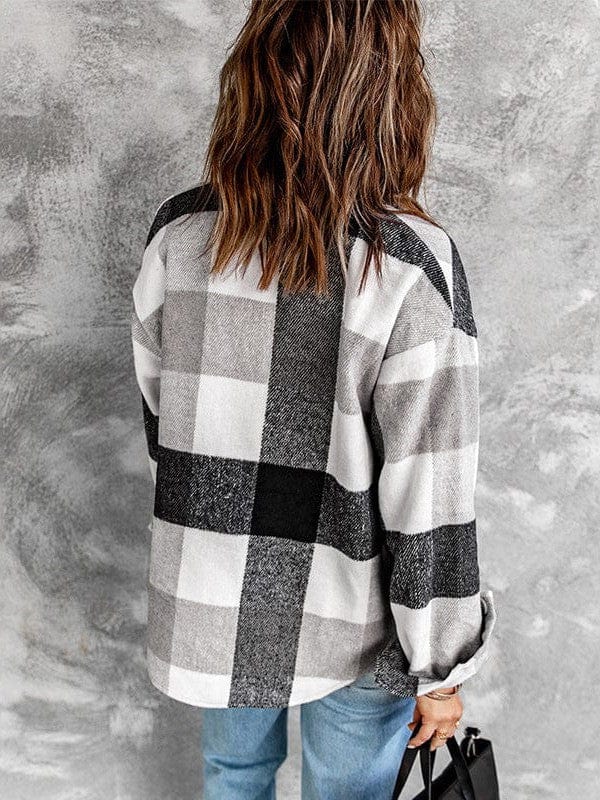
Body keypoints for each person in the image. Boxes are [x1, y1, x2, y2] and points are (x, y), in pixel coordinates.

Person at [130, 1, 497, 798]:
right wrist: (440, 668)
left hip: (215, 599)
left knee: (233, 777)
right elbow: (430, 494)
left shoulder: (179, 236)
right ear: (389, 90)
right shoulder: (407, 266)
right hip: (355, 612)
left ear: (255, 75)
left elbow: (166, 427)